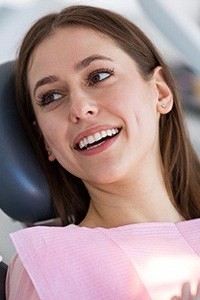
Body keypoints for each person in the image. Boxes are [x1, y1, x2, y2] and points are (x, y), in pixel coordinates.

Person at [5, 5, 200, 300]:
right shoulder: (48, 264)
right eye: (52, 96)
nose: (80, 109)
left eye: (98, 76)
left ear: (160, 92)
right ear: (46, 142)